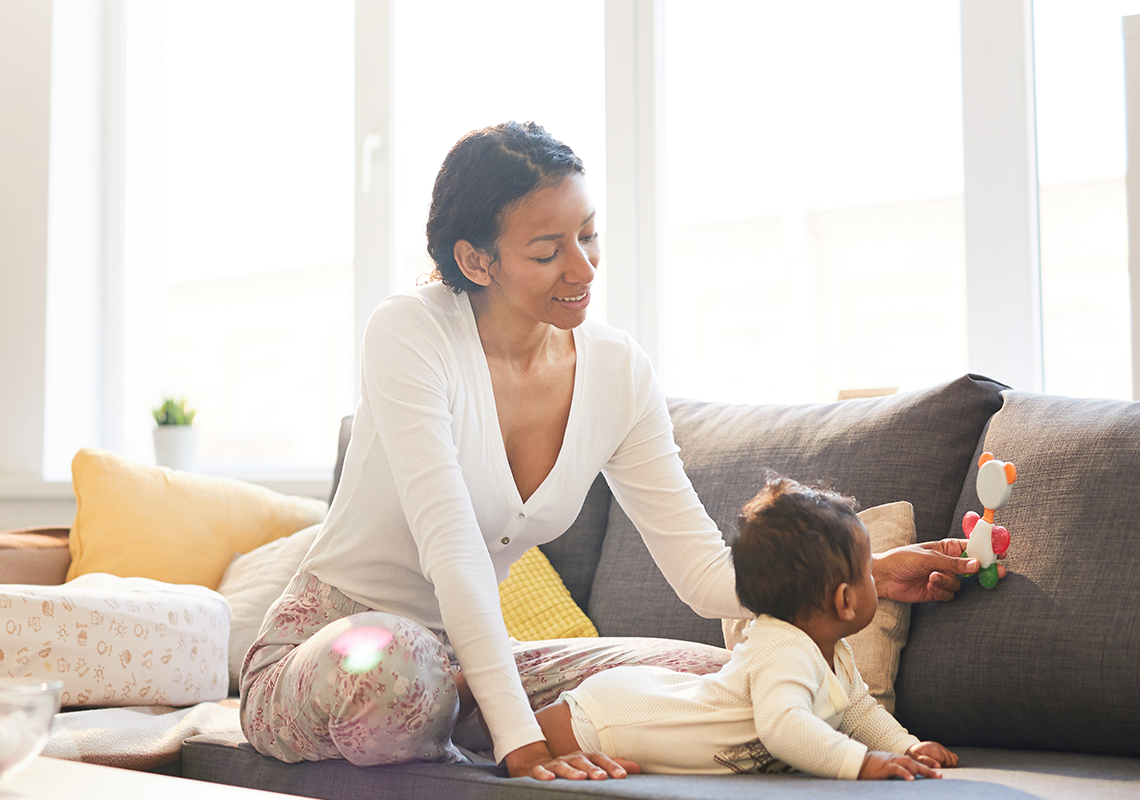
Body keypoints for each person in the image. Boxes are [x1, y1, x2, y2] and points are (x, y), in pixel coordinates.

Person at [238, 121, 993, 782]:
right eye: (547, 251)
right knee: (399, 668)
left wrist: (861, 572)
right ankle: (463, 717)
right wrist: (522, 742)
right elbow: (454, 552)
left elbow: (702, 573)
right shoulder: (410, 332)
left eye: (588, 235)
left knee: (722, 682)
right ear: (476, 260)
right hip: (341, 655)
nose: (583, 268)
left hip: (474, 664)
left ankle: (459, 713)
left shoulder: (616, 371)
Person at [531, 476, 961, 780]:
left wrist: (906, 746)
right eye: (869, 571)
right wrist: (860, 764)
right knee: (516, 742)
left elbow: (859, 711)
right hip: (610, 718)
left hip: (640, 700)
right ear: (844, 600)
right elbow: (786, 728)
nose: (876, 578)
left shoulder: (834, 652)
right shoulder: (783, 650)